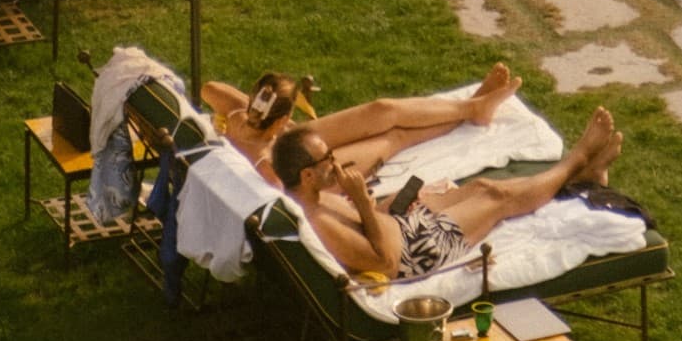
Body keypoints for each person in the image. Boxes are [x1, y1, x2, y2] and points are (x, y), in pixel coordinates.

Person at [274, 106, 623, 280]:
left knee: (481, 186)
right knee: (496, 198)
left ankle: (586, 178)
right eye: (327, 159)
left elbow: (370, 226)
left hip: (402, 224)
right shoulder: (318, 220)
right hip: (418, 250)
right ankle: (578, 159)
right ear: (307, 174)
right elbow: (387, 263)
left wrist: (386, 205)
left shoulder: (315, 198)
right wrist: (364, 204)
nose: (335, 162)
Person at [199, 61, 524, 188]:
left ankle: (473, 106)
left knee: (382, 110)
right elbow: (282, 194)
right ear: (283, 118)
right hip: (309, 176)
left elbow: (209, 88)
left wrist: (257, 118)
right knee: (393, 138)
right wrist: (263, 137)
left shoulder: (239, 120)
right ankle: (472, 112)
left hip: (286, 139)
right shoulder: (264, 166)